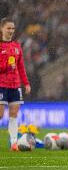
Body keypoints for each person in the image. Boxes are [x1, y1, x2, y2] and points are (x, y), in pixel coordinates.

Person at [0, 17, 31, 151]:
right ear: (2, 29)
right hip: (1, 84)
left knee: (14, 114)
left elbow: (21, 67)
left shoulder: (17, 46)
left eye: (12, 28)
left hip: (15, 85)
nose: (11, 31)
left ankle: (13, 143)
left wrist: (26, 83)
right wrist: (7, 65)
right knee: (0, 114)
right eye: (8, 28)